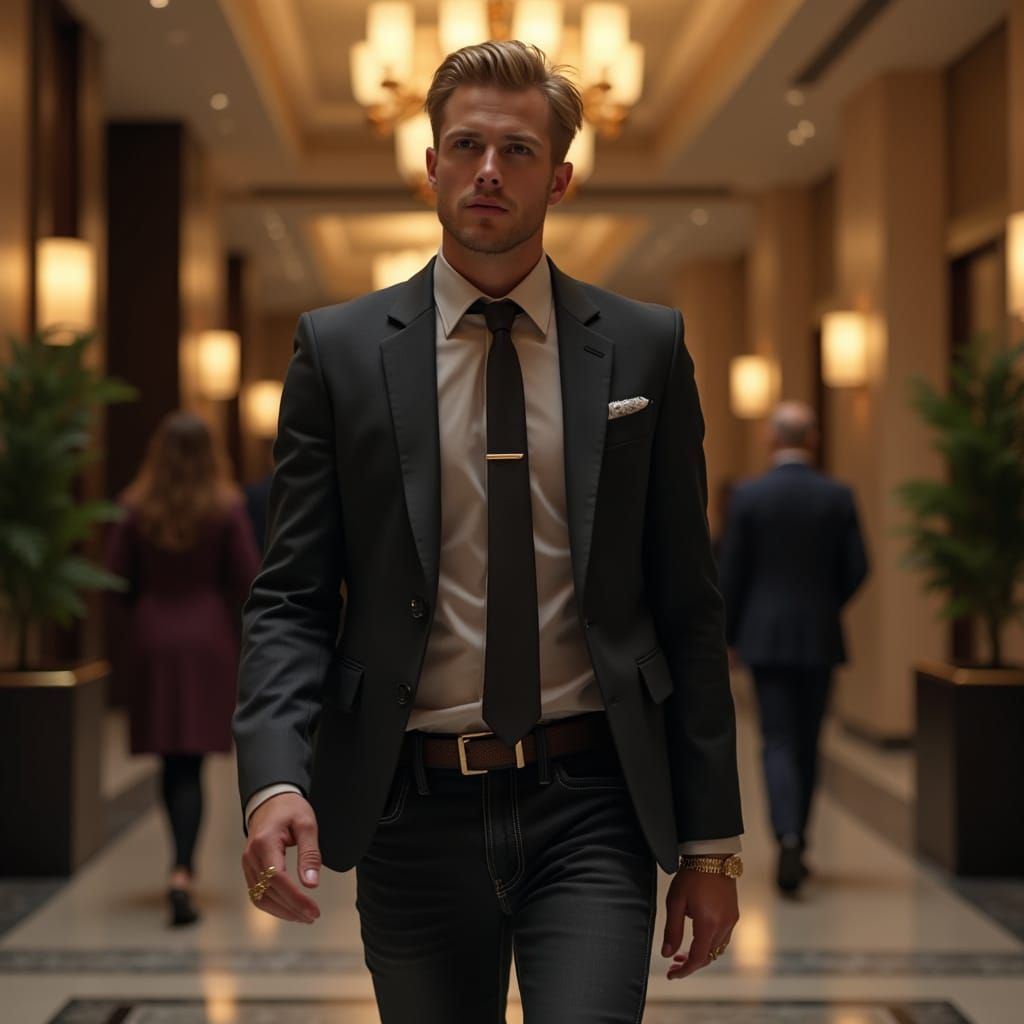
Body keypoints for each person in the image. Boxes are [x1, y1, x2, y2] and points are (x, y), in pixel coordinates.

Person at [234, 41, 743, 1022]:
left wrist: (709, 843)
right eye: (463, 144)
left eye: (515, 150)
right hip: (409, 806)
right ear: (427, 162)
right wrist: (271, 780)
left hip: (591, 799)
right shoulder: (337, 352)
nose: (485, 171)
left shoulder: (644, 345)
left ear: (558, 176)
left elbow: (687, 606)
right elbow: (291, 596)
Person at [106, 411, 260, 926]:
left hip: (153, 638)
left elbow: (114, 579)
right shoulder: (225, 506)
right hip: (206, 640)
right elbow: (247, 578)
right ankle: (182, 872)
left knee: (170, 762)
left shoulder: (135, 506)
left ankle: (178, 868)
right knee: (191, 763)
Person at [718, 401, 868, 895]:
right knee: (809, 741)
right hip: (820, 636)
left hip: (764, 637)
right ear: (814, 439)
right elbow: (857, 567)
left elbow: (731, 572)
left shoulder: (748, 496)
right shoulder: (837, 495)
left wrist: (731, 634)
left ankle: (784, 835)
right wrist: (826, 605)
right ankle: (799, 837)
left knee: (777, 739)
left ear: (770, 440)